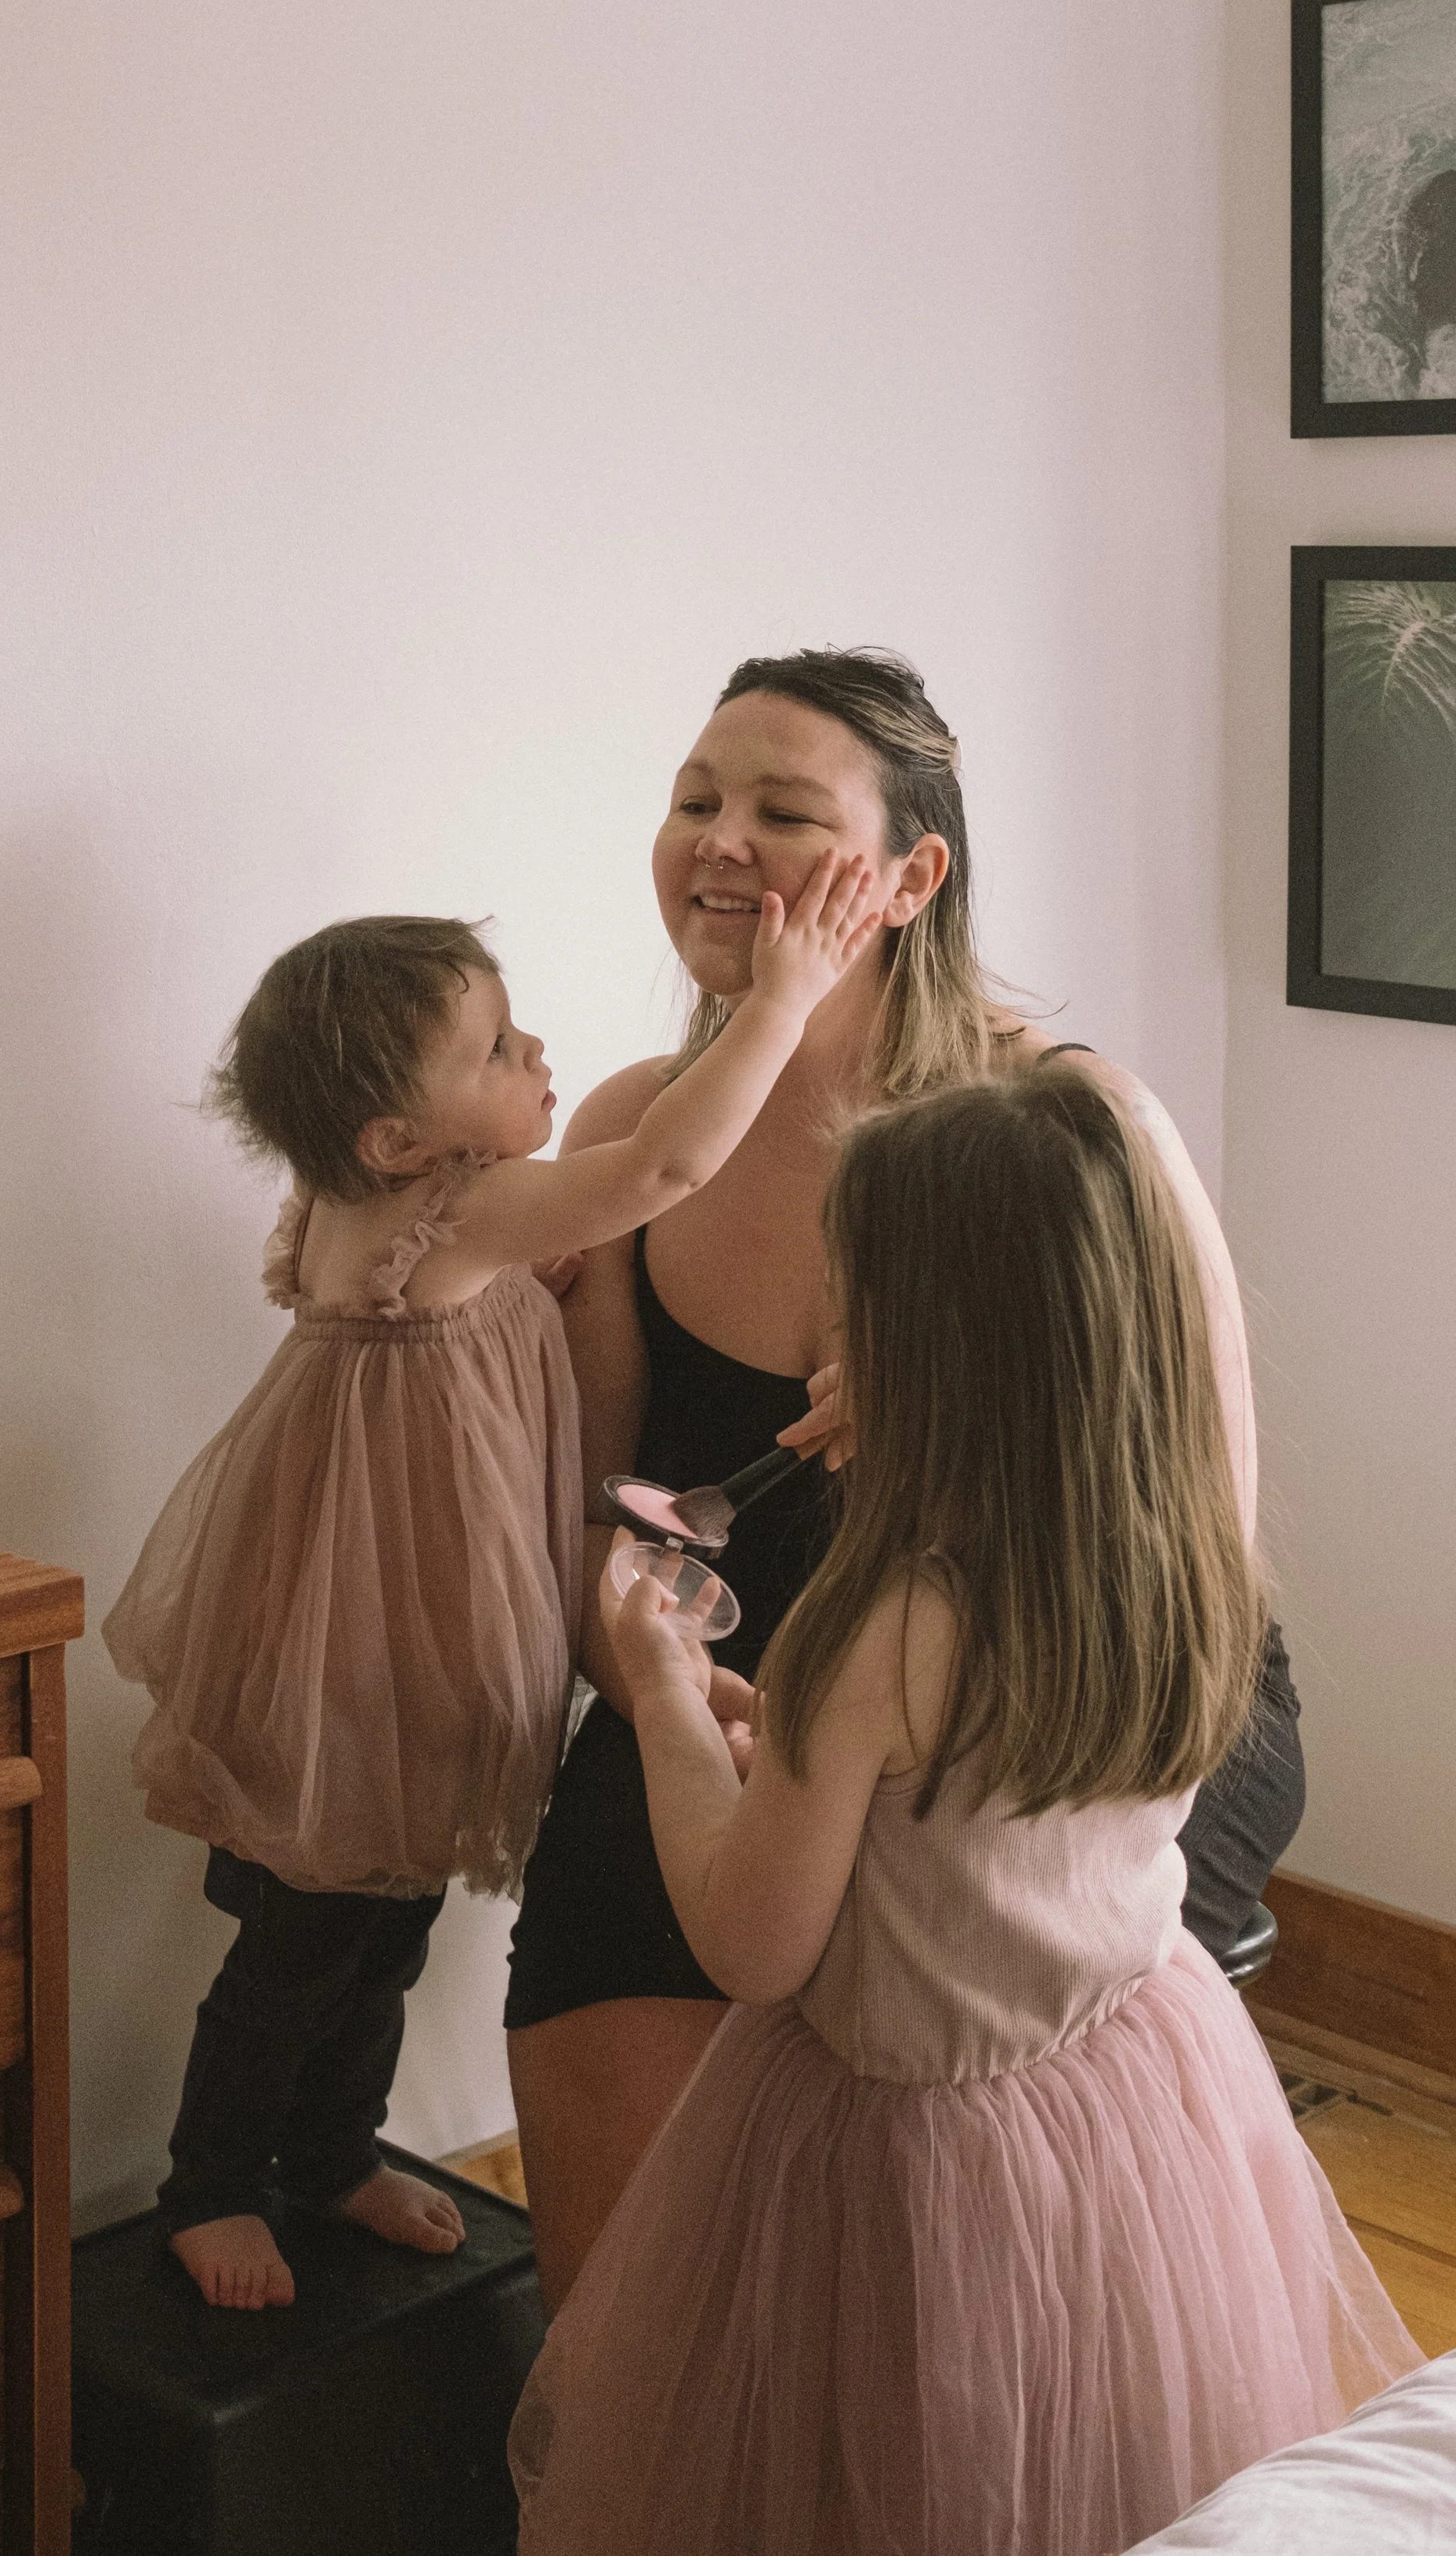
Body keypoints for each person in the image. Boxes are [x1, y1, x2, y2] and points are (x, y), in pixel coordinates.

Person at [509, 1067, 1419, 2556]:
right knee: (1113, 2470)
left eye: (855, 1315)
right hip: (1133, 2116)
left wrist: (672, 1694)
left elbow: (751, 1941)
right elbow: (971, 1816)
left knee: (905, 2482)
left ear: (934, 1354)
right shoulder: (1179, 1560)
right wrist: (789, 1747)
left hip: (911, 2177)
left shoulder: (874, 1631)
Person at [504, 646, 1307, 2308]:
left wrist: (978, 1409)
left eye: (782, 812)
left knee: (912, 2219)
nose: (718, 842)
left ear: (910, 873)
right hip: (743, 1688)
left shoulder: (1071, 1133)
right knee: (629, 2227)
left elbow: (1197, 1553)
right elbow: (603, 1518)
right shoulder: (638, 1127)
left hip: (1038, 1707)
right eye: (692, 800)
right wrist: (684, 1704)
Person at [104, 876, 882, 2310]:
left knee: (379, 1920)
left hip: (369, 1626)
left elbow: (504, 1297)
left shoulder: (383, 1203)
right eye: (500, 1049)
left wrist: (553, 1277)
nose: (539, 1060)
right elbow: (659, 1169)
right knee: (304, 1938)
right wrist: (778, 1000)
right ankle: (210, 2184)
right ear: (404, 1141)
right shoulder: (456, 1212)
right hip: (373, 1644)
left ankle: (335, 2149)